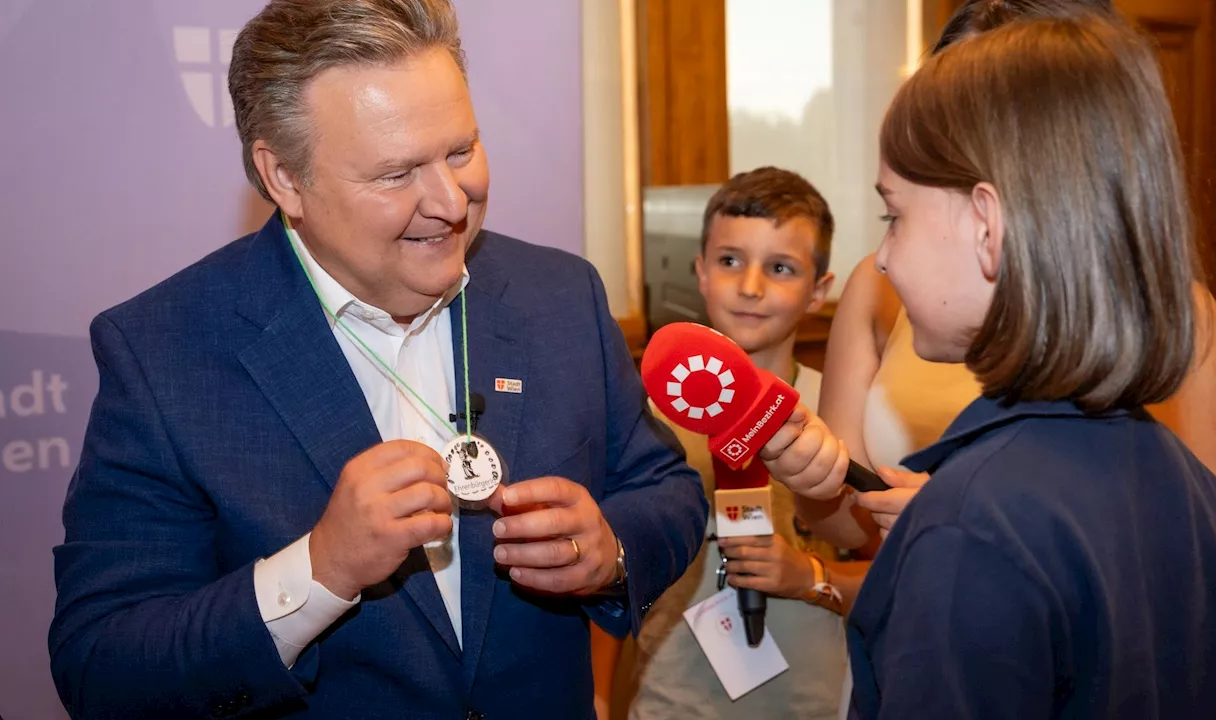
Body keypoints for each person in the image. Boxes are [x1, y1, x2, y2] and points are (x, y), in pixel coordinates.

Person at [47, 1, 718, 717]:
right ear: (284, 179)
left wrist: (608, 550)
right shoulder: (163, 352)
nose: (451, 202)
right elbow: (102, 664)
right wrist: (319, 571)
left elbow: (665, 488)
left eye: (461, 151)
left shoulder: (560, 295)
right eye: (398, 174)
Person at [774, 12, 1216, 717]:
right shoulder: (1193, 496)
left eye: (895, 216)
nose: (881, 257)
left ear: (988, 229)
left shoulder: (969, 530)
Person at [810, 0, 1216, 553]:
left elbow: (1202, 561)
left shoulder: (1177, 322)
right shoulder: (880, 286)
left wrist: (969, 525)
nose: (885, 254)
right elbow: (844, 529)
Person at [592, 168, 866, 719]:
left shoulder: (838, 414)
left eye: (781, 267)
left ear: (819, 291)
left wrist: (809, 577)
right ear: (700, 272)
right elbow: (609, 574)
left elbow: (893, 575)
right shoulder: (639, 417)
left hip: (814, 704)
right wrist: (595, 696)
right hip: (673, 703)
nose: (751, 286)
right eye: (730, 261)